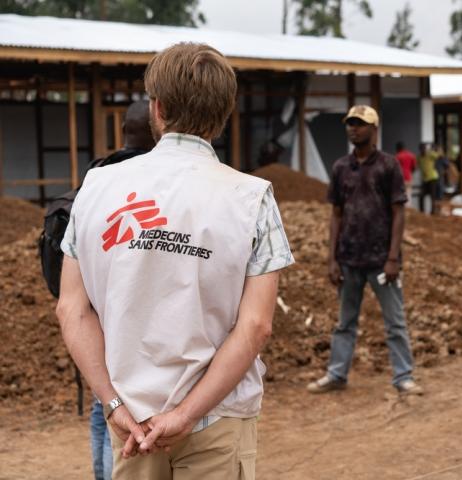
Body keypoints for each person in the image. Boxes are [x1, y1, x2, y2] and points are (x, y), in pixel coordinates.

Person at [56, 43, 294, 480]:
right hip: (218, 418)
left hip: (132, 423)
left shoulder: (95, 188)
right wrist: (185, 414)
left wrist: (112, 403)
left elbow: (71, 308)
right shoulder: (252, 198)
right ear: (225, 113)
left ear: (158, 107)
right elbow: (256, 326)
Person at [307, 105, 422, 396]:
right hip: (349, 259)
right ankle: (337, 374)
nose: (353, 129)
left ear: (374, 129)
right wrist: (331, 259)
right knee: (345, 322)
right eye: (350, 124)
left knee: (395, 322)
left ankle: (403, 377)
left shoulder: (388, 165)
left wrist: (393, 257)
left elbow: (398, 213)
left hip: (382, 261)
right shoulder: (341, 168)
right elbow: (336, 214)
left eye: (359, 124)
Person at [88, 100, 154, 480]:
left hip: (95, 308)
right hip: (129, 310)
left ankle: (101, 472)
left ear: (125, 130)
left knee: (104, 404)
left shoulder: (97, 174)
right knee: (124, 406)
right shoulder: (146, 178)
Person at [418, 142, 439, 214]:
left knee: (432, 196)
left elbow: (437, 155)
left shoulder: (430, 154)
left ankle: (433, 211)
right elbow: (418, 166)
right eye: (421, 149)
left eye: (424, 149)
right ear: (420, 149)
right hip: (425, 179)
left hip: (432, 178)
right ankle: (422, 212)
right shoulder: (419, 157)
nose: (423, 150)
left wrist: (433, 149)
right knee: (421, 195)